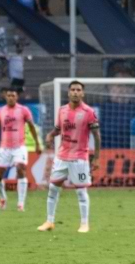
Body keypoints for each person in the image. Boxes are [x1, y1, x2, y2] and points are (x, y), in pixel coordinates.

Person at [38, 81, 99, 233]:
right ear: (68, 92)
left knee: (80, 191)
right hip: (62, 156)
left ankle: (84, 224)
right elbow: (58, 129)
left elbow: (97, 136)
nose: (75, 92)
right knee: (53, 188)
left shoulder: (88, 112)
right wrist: (50, 135)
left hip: (79, 158)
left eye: (78, 90)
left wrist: (96, 158)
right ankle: (49, 221)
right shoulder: (62, 110)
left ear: (83, 93)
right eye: (73, 90)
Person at [0, 88, 40, 211]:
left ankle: (20, 204)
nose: (11, 98)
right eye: (9, 95)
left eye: (13, 95)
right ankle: (3, 198)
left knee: (21, 169)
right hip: (4, 148)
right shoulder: (0, 111)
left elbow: (31, 126)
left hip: (19, 147)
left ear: (17, 97)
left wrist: (37, 143)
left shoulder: (24, 110)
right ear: (5, 97)